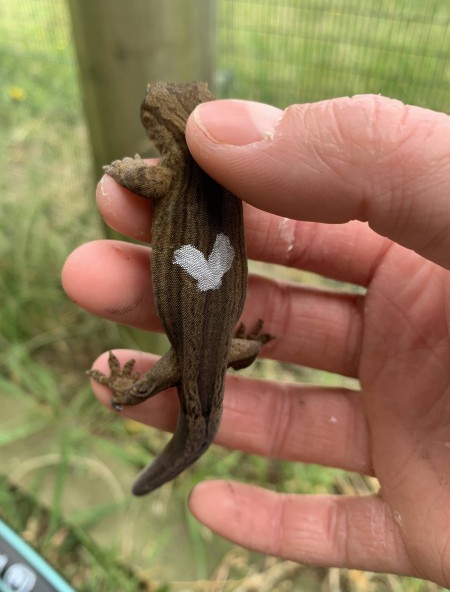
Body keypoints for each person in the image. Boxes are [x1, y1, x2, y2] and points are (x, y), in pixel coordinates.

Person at [62, 94, 450, 587]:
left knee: (155, 386)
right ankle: (158, 402)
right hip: (218, 348)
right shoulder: (222, 177)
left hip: (215, 351)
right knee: (203, 374)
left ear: (159, 133)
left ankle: (126, 395)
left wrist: (121, 169)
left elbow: (137, 178)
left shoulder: (171, 173)